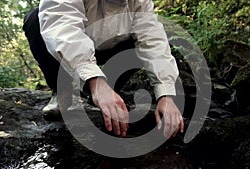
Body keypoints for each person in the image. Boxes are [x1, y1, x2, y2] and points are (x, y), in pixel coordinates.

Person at [23, 0, 184, 138]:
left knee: (142, 46)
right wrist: (94, 80)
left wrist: (166, 94)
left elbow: (153, 41)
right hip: (75, 39)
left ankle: (108, 92)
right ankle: (62, 92)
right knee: (34, 20)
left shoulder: (140, 2)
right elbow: (60, 26)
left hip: (113, 46)